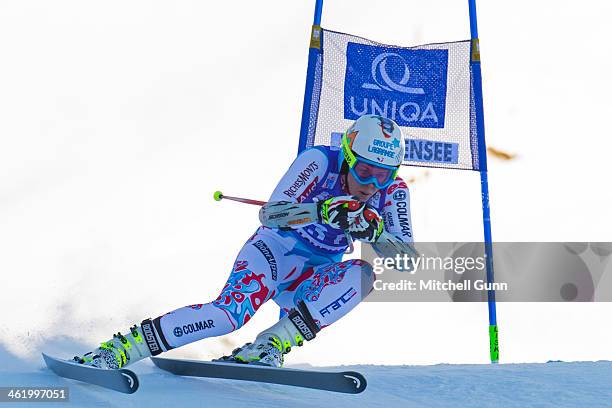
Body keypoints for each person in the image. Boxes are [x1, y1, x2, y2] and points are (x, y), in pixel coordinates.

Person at [74, 114, 415, 369]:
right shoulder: (319, 161)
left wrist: (377, 235)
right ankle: (118, 349)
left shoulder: (393, 193)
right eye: (364, 171)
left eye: (383, 174)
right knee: (228, 316)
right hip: (274, 253)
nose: (371, 183)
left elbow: (407, 263)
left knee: (363, 277)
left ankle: (268, 346)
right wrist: (322, 210)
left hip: (314, 277)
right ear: (348, 158)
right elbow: (270, 216)